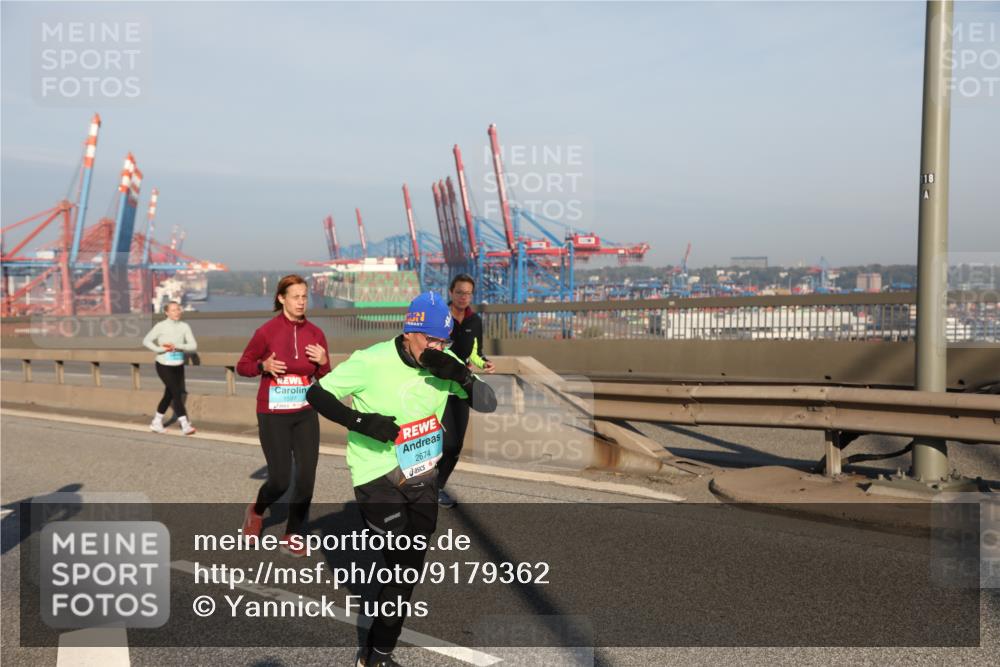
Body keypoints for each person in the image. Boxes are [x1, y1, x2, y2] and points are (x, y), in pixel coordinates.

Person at [305, 291, 497, 667]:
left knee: (408, 570)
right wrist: (361, 421)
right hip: (375, 475)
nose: (436, 348)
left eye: (443, 340)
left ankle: (378, 652)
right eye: (430, 340)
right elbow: (317, 393)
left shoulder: (445, 362)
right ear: (410, 331)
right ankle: (374, 657)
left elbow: (488, 403)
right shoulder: (370, 361)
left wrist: (460, 374)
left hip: (422, 474)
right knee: (399, 561)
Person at [237, 274, 330, 556]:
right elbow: (243, 365)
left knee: (306, 478)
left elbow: (324, 376)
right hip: (273, 413)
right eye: (295, 296)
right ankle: (257, 511)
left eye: (304, 296)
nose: (301, 302)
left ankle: (293, 532)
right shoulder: (266, 332)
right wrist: (263, 365)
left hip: (304, 412)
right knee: (280, 479)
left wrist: (324, 362)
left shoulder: (316, 333)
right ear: (281, 298)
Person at [437, 274, 495, 508]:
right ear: (451, 293)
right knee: (435, 443)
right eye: (460, 292)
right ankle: (419, 486)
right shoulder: (439, 317)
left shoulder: (475, 321)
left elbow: (475, 353)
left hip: (461, 389)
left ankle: (437, 486)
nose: (464, 297)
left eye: (468, 293)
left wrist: (484, 363)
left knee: (454, 446)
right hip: (436, 388)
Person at [143, 301, 198, 435]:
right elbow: (146, 341)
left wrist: (178, 345)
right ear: (167, 312)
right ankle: (185, 424)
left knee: (169, 394)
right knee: (176, 393)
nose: (176, 312)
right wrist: (160, 349)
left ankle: (156, 422)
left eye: (178, 309)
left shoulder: (184, 326)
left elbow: (193, 346)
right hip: (163, 364)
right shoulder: (160, 326)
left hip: (178, 364)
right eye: (173, 310)